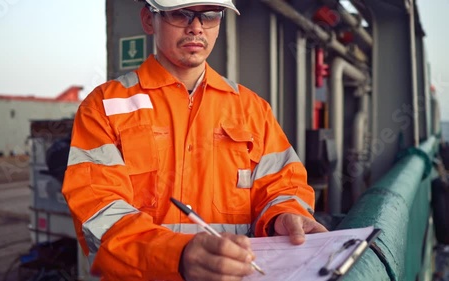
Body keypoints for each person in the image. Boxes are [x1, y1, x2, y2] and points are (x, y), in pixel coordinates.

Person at [62, 0, 327, 280]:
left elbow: (282, 185)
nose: (196, 27)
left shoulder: (252, 109)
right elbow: (98, 212)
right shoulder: (104, 106)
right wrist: (176, 256)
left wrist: (282, 217)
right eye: (181, 14)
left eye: (210, 15)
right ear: (149, 20)